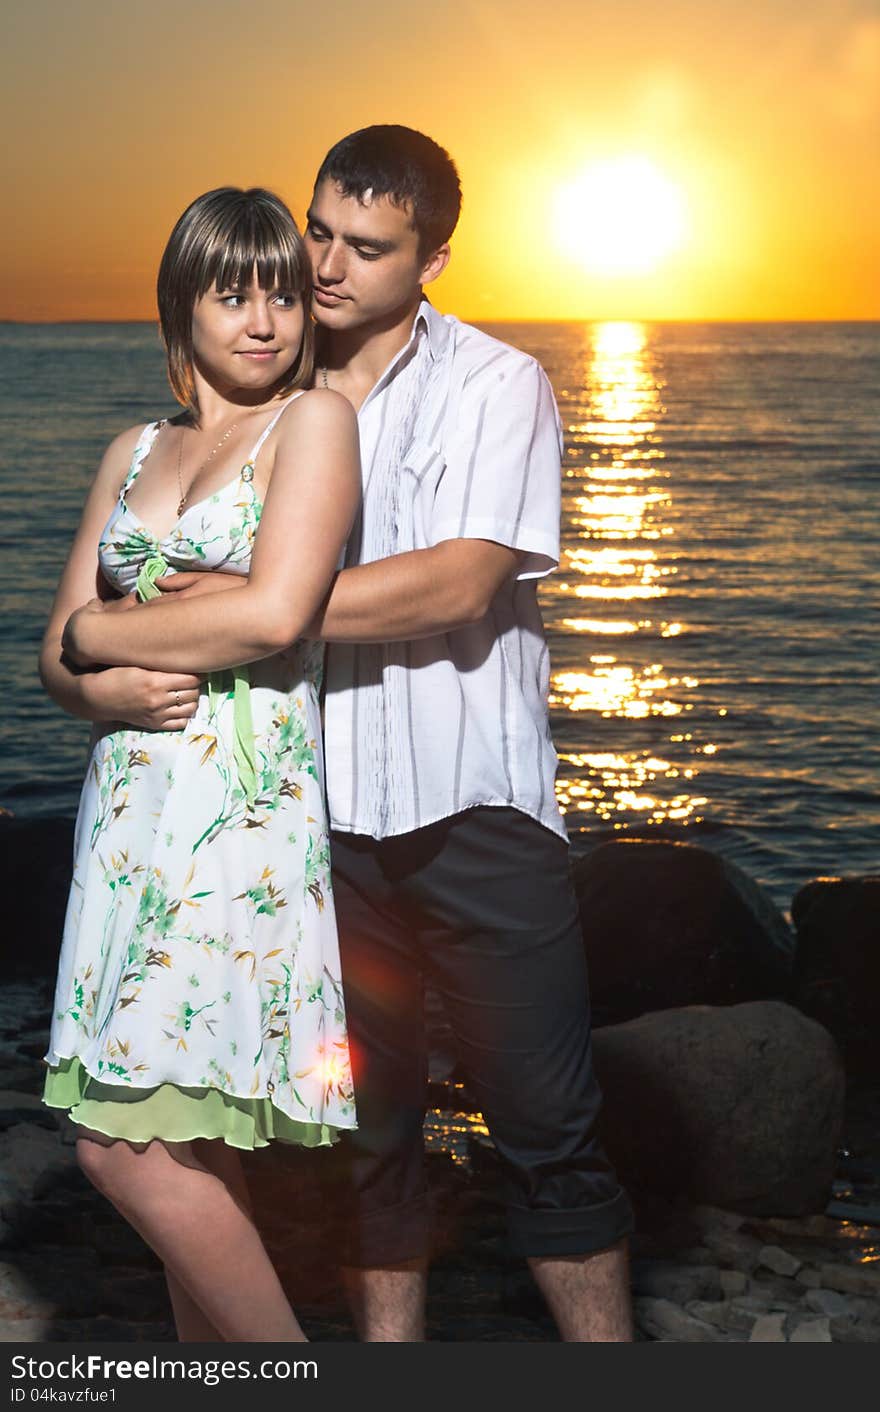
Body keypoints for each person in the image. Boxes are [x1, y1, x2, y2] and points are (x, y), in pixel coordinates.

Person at [63, 126, 634, 1342]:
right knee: (366, 1141)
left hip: (472, 811)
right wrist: (111, 654)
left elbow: (457, 584)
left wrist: (220, 613)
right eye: (319, 230)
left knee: (546, 1128)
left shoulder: (495, 384)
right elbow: (100, 601)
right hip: (315, 828)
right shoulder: (272, 370)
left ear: (431, 260)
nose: (324, 266)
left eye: (365, 247)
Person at [40, 186, 361, 1342]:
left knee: (117, 1146)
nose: (266, 320)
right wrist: (100, 680)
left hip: (238, 821)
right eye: (234, 293)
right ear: (184, 305)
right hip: (125, 823)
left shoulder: (311, 426)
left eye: (282, 292)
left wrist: (105, 634)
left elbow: (274, 616)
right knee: (180, 1148)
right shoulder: (134, 447)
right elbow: (51, 651)